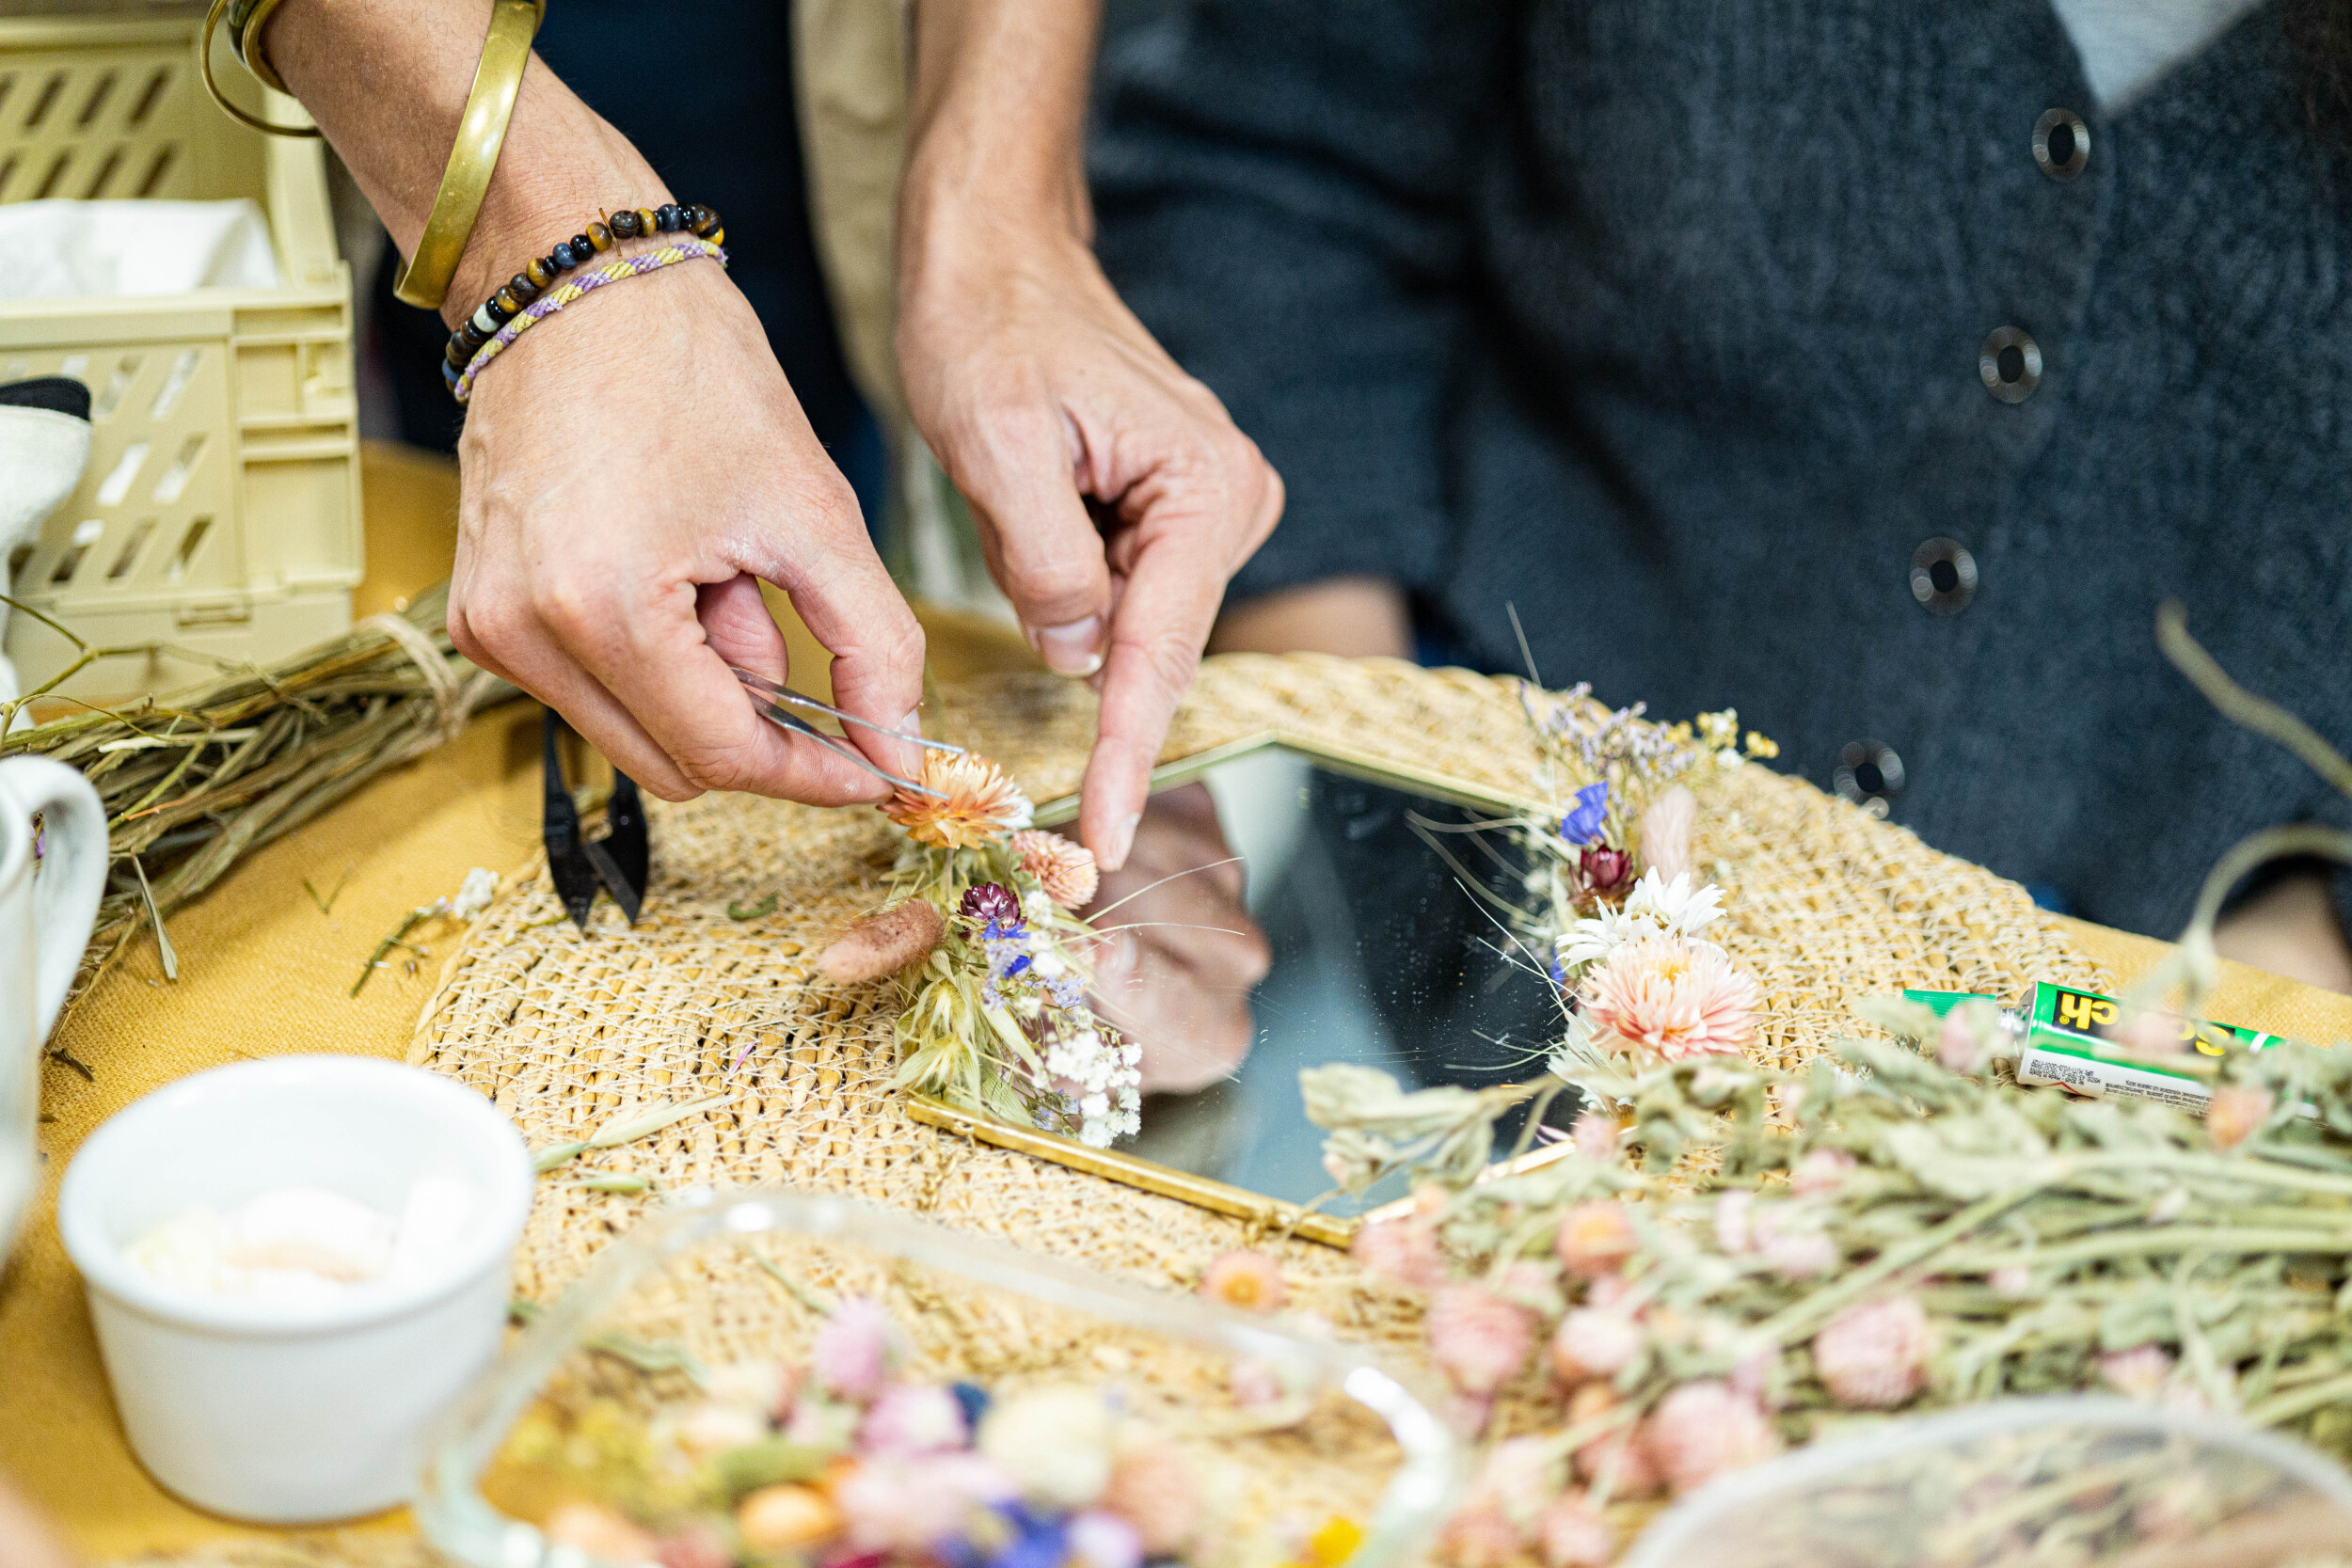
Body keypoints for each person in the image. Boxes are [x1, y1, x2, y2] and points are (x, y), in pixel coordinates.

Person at [1089, 0, 2352, 988]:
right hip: (1472, 931)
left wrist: (2303, 963)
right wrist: (1391, 780)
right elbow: (1270, 170)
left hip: (2174, 1097)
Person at [251, 0, 1281, 872]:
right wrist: (527, 243)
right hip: (395, 97)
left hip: (834, 129)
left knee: (814, 567)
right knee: (543, 591)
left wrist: (998, 212)